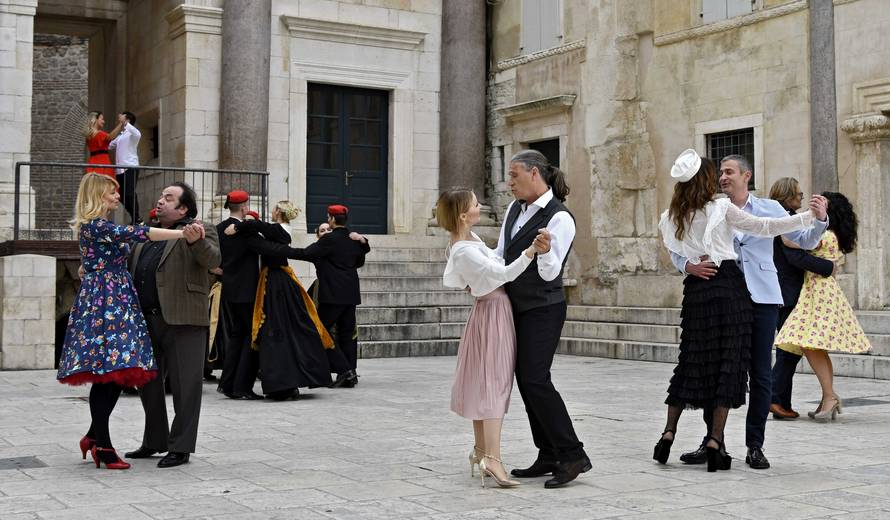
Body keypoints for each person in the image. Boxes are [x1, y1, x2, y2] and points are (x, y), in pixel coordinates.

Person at [654, 150, 824, 472]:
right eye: (719, 172)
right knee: (719, 365)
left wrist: (817, 220)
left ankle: (754, 445)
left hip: (755, 297)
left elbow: (798, 238)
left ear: (746, 175)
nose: (723, 177)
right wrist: (688, 265)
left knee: (757, 373)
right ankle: (712, 442)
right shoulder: (716, 208)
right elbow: (679, 252)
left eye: (729, 171)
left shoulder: (765, 207)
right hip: (724, 295)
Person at [57, 173, 186, 470]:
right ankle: (102, 444)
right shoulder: (97, 225)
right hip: (107, 302)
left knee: (115, 373)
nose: (117, 197)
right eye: (112, 193)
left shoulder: (99, 227)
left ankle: (93, 435)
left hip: (115, 298)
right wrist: (181, 234)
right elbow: (139, 235)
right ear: (98, 196)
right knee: (108, 372)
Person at [495, 149, 587, 489]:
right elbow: (500, 253)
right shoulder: (512, 210)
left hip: (544, 307)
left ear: (535, 174)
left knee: (535, 378)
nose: (510, 182)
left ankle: (573, 453)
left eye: (514, 174)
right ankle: (548, 453)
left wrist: (546, 253)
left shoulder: (559, 218)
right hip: (516, 305)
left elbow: (551, 274)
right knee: (526, 378)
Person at [438, 188, 542, 488]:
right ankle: (492, 459)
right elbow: (505, 273)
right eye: (474, 203)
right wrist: (531, 251)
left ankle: (482, 451)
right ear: (462, 214)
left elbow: (492, 265)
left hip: (491, 309)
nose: (479, 205)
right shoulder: (464, 249)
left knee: (486, 381)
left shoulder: (470, 240)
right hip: (493, 310)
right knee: (494, 383)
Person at [125, 182, 221, 468]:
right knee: (148, 384)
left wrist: (196, 241)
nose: (161, 201)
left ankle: (180, 447)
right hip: (146, 318)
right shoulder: (146, 233)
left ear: (183, 208)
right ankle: (154, 440)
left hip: (184, 319)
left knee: (185, 385)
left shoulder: (200, 229)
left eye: (169, 198)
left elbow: (213, 260)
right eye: (161, 196)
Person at [224, 201, 335, 400]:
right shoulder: (272, 231)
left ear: (278, 212)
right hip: (275, 283)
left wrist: (242, 225)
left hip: (276, 285)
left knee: (278, 331)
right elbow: (267, 237)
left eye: (274, 208)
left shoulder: (279, 230)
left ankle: (282, 383)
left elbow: (271, 240)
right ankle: (279, 383)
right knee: (282, 330)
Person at [775, 192, 871, 420]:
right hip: (819, 292)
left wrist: (779, 226)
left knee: (810, 345)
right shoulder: (833, 235)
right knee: (813, 346)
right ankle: (828, 396)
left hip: (818, 293)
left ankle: (829, 396)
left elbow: (790, 240)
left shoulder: (825, 235)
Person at [768, 178, 835, 420]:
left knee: (790, 348)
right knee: (789, 349)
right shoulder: (786, 219)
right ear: (787, 196)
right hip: (789, 292)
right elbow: (794, 256)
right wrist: (828, 267)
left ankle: (780, 403)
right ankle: (775, 399)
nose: (801, 197)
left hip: (781, 291)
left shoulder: (779, 217)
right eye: (798, 194)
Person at [286, 205, 370, 388]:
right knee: (346, 333)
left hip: (333, 295)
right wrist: (363, 241)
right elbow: (360, 260)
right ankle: (350, 373)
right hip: (351, 294)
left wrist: (282, 250)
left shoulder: (329, 239)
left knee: (319, 331)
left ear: (332, 219)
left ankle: (344, 370)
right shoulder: (354, 239)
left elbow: (306, 253)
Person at [215, 190, 262, 400]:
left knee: (236, 336)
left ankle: (228, 383)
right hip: (248, 291)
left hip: (230, 289)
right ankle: (241, 386)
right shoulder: (246, 230)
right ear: (245, 207)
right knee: (249, 338)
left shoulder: (219, 229)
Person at [108, 111, 142, 224]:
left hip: (131, 167)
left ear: (127, 119)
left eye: (122, 115)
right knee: (121, 196)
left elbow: (138, 134)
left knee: (129, 193)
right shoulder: (121, 135)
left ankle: (136, 218)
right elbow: (110, 145)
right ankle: (135, 217)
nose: (119, 115)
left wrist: (125, 123)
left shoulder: (133, 133)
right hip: (119, 170)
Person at [83, 111, 124, 179]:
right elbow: (110, 136)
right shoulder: (99, 134)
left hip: (92, 162)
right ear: (96, 119)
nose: (103, 121)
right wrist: (121, 123)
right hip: (102, 162)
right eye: (102, 119)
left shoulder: (89, 135)